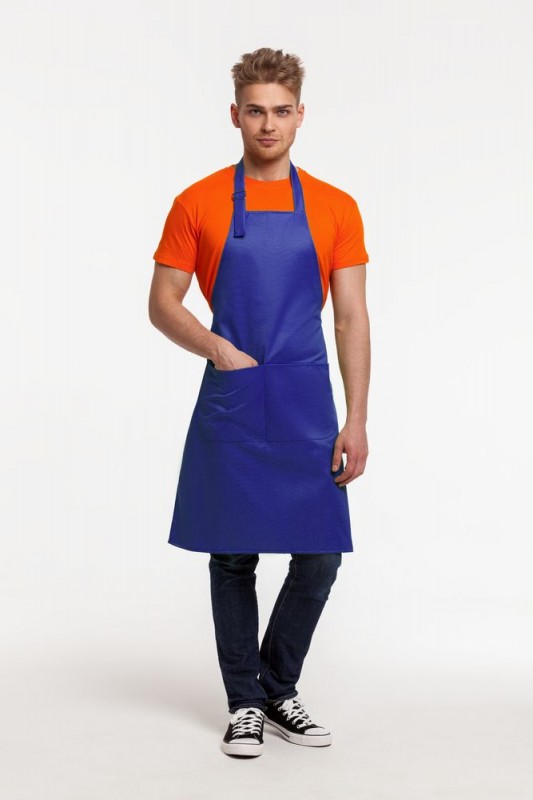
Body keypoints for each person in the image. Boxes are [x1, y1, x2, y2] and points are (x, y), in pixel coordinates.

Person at [148, 47, 371, 758]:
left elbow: (350, 318)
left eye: (280, 111)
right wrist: (217, 349)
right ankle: (245, 701)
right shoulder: (197, 202)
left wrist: (356, 418)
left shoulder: (336, 207)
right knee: (233, 555)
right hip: (236, 391)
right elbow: (162, 302)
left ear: (300, 115)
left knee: (320, 556)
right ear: (235, 115)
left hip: (306, 395)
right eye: (255, 111)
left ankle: (276, 687)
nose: (268, 124)